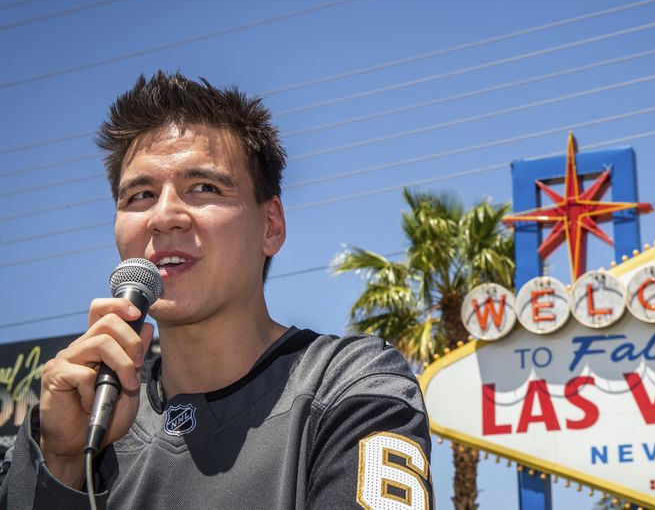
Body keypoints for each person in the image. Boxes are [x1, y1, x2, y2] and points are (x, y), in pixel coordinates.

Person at [0, 71, 433, 509]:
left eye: (203, 188)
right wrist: (62, 463)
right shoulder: (79, 419)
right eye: (140, 195)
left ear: (271, 225)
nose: (164, 215)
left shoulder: (349, 386)